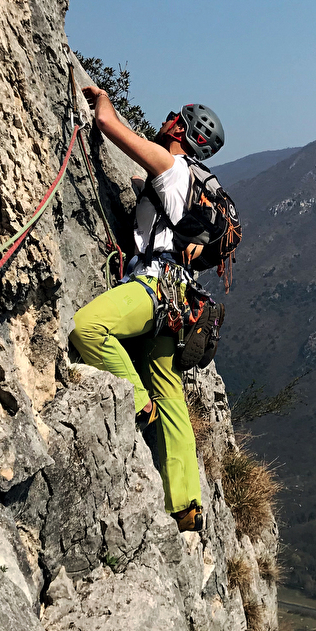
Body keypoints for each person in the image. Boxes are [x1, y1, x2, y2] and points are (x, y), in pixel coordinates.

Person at [69, 85, 226, 532]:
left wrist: (103, 104)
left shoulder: (173, 165)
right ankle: (186, 504)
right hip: (183, 303)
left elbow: (110, 128)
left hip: (155, 288)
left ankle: (137, 403)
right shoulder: (195, 184)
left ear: (183, 131)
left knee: (88, 327)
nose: (167, 123)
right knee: (171, 394)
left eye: (175, 120)